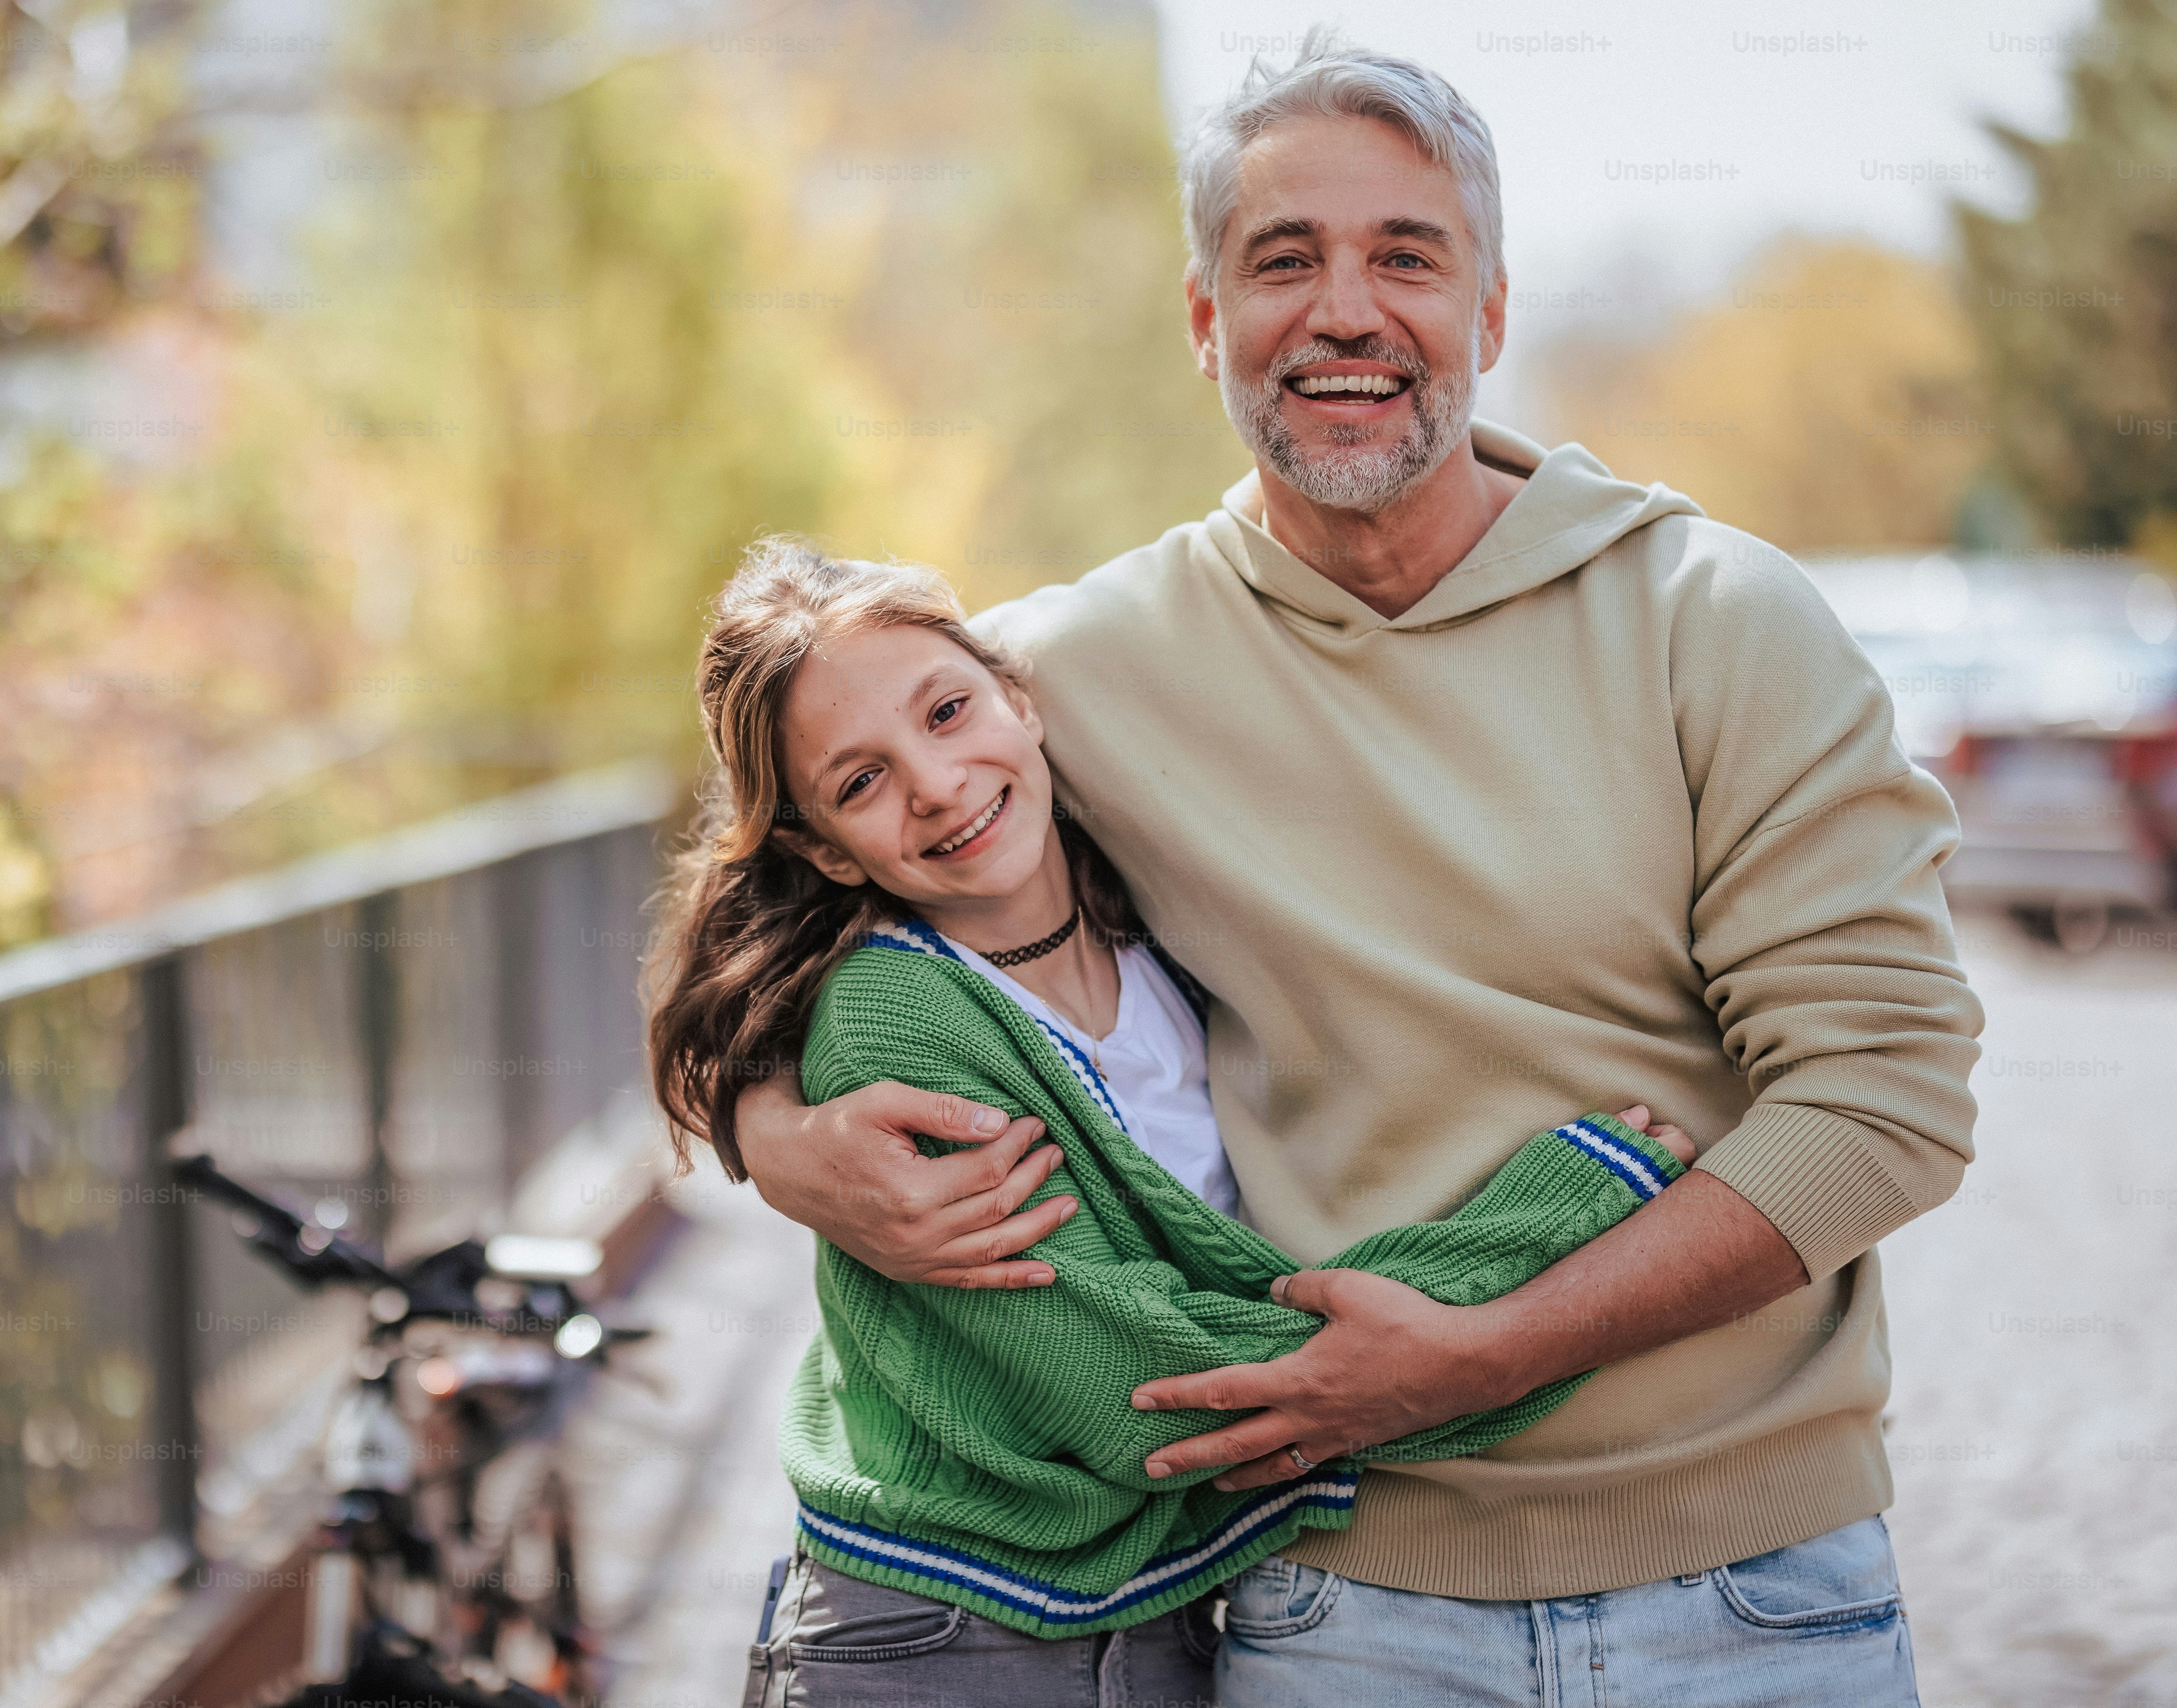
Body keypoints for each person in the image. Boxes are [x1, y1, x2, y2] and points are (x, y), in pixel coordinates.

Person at [723, 32, 1979, 1708]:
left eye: (1406, 256)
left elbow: (1887, 1098)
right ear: (1204, 321)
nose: (1343, 312)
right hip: (1338, 1604)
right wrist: (784, 1141)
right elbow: (770, 868)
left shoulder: (1717, 622)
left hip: (1753, 1591)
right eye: (1283, 260)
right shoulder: (1066, 677)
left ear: (1490, 311)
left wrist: (1490, 1351)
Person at [645, 541, 1700, 1708]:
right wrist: (1553, 1224)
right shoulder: (897, 1024)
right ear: (822, 850)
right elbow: (1138, 1386)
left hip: (1163, 1617)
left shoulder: (1162, 934)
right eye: (861, 782)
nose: (936, 783)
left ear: (1019, 698)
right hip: (943, 1634)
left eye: (947, 712)